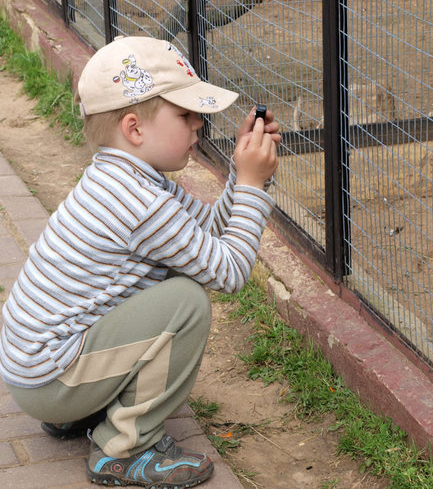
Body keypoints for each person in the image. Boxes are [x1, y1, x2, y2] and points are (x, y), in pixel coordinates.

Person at [0, 35, 281, 488]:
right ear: (135, 128)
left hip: (36, 372)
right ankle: (125, 447)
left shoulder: (125, 178)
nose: (198, 126)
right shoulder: (139, 204)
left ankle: (84, 409)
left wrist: (242, 174)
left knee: (176, 284)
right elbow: (228, 272)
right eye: (185, 114)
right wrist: (250, 185)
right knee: (186, 302)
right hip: (50, 382)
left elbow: (206, 233)